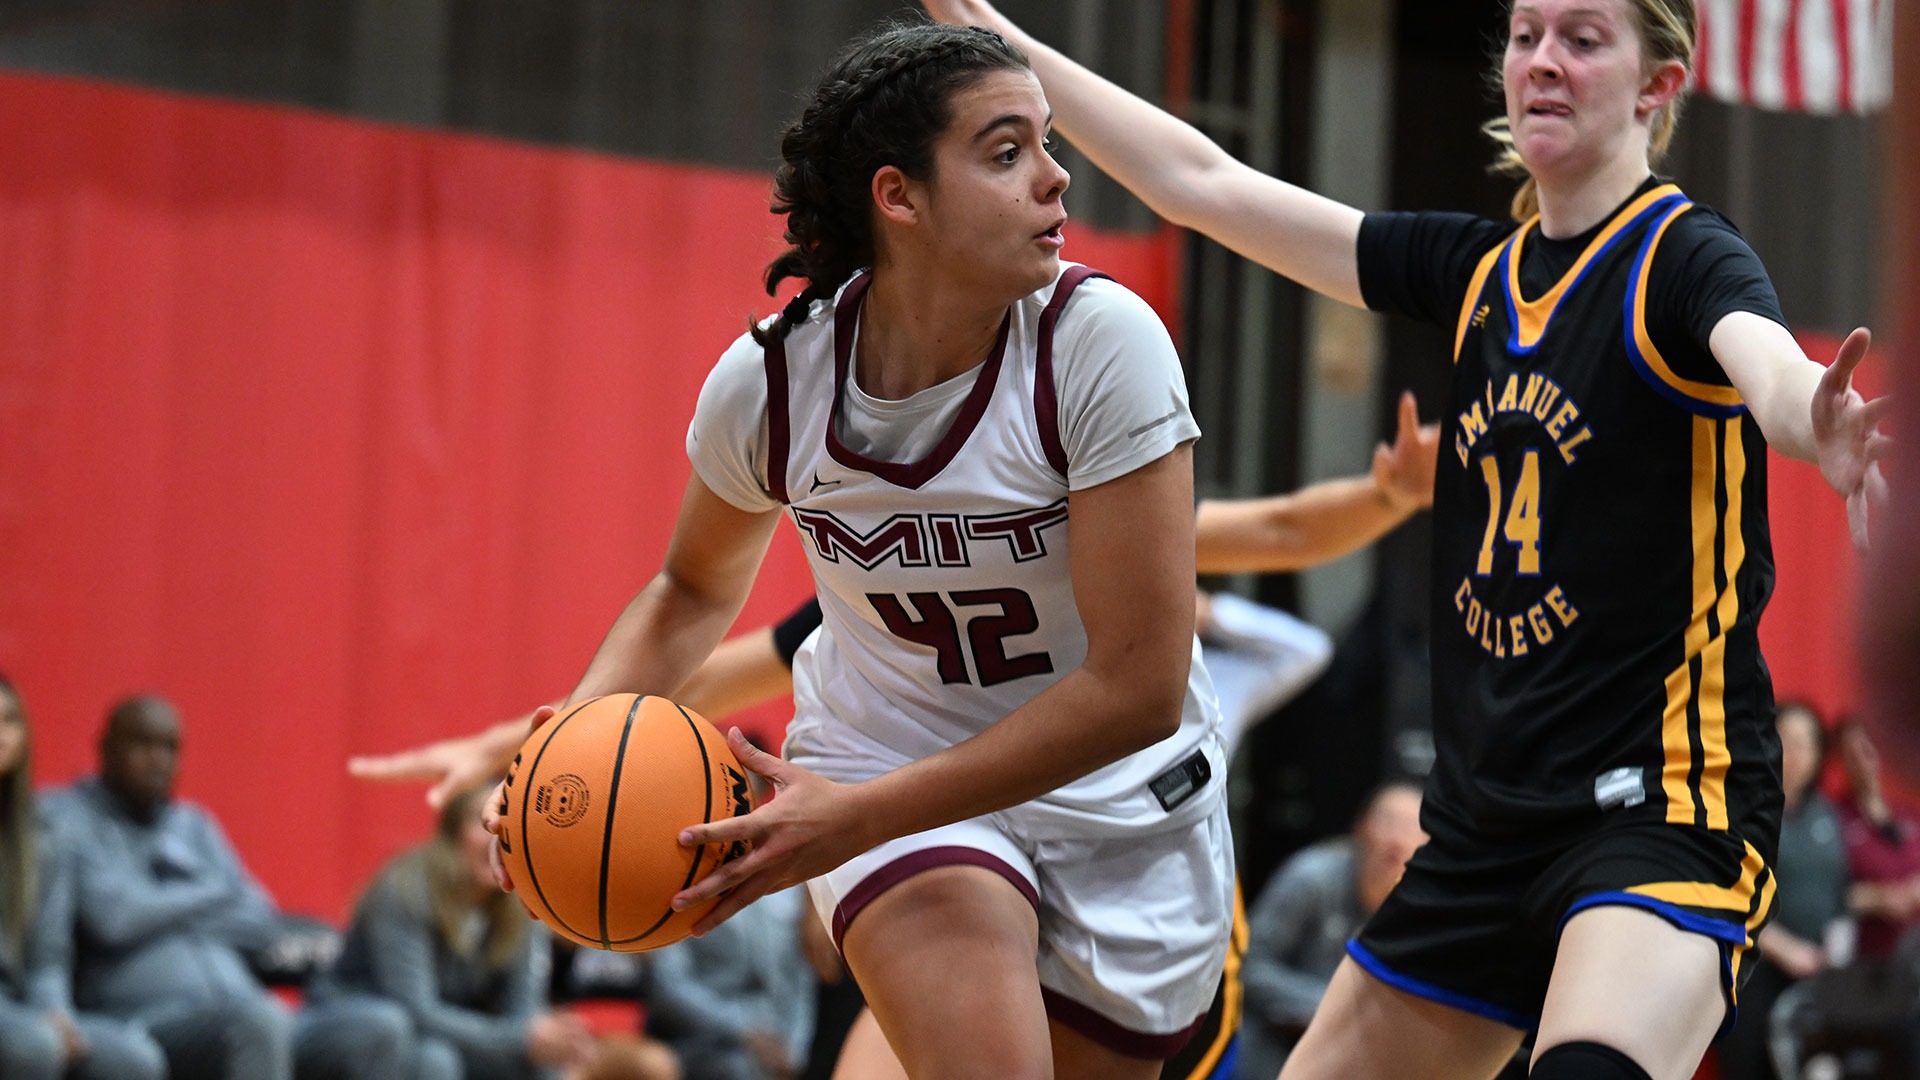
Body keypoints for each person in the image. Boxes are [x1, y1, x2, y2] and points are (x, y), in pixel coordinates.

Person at [916, 2, 1889, 1078]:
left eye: (1583, 39)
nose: (1543, 63)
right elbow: (1204, 183)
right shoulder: (1475, 273)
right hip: (1484, 829)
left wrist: (1818, 419)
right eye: (1525, 36)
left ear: (1659, 85)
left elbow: (1764, 364)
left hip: (1659, 812)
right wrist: (1001, 40)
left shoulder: (1681, 257)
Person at [475, 20, 1240, 1080]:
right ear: (901, 196)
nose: (1059, 180)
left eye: (1049, 145)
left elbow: (1140, 688)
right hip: (888, 765)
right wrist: (569, 741)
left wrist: (851, 818)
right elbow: (693, 587)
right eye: (1008, 151)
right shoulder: (775, 385)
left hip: (1118, 800)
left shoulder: (1102, 345)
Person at [41, 694, 416, 1080]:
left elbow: (259, 921)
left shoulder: (193, 824)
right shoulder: (65, 817)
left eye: (170, 748)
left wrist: (156, 907)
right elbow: (114, 919)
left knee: (379, 1025)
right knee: (254, 1021)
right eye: (142, 744)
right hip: (141, 1017)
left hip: (247, 1006)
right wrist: (208, 892)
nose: (158, 761)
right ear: (105, 748)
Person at [311, 783, 677, 1080]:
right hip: (361, 1022)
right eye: (482, 823)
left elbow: (523, 1010)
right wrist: (521, 1037)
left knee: (545, 1062)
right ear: (452, 835)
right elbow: (415, 1009)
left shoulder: (517, 899)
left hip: (445, 1036)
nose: (495, 835)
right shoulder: (405, 888)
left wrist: (547, 1038)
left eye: (505, 825)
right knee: (427, 1052)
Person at [0, 675, 168, 1080]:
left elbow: (47, 958)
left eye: (9, 720)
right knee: (34, 1047)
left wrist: (55, 1013)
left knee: (133, 1059)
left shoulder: (39, 835)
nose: (0, 734)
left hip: (17, 1003)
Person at [1235, 783, 1424, 1080]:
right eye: (1388, 823)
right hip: (1276, 1042)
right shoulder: (1311, 877)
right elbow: (1247, 963)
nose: (1397, 841)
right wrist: (1332, 1009)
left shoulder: (1420, 910)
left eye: (1412, 828)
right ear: (1361, 828)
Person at [1716, 703, 1851, 1080]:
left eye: (1808, 743)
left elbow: (1840, 893)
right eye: (1787, 741)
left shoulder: (1826, 814)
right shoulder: (1743, 811)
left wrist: (1837, 949)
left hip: (1819, 978)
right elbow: (1728, 894)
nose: (1797, 754)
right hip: (1755, 970)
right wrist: (1784, 948)